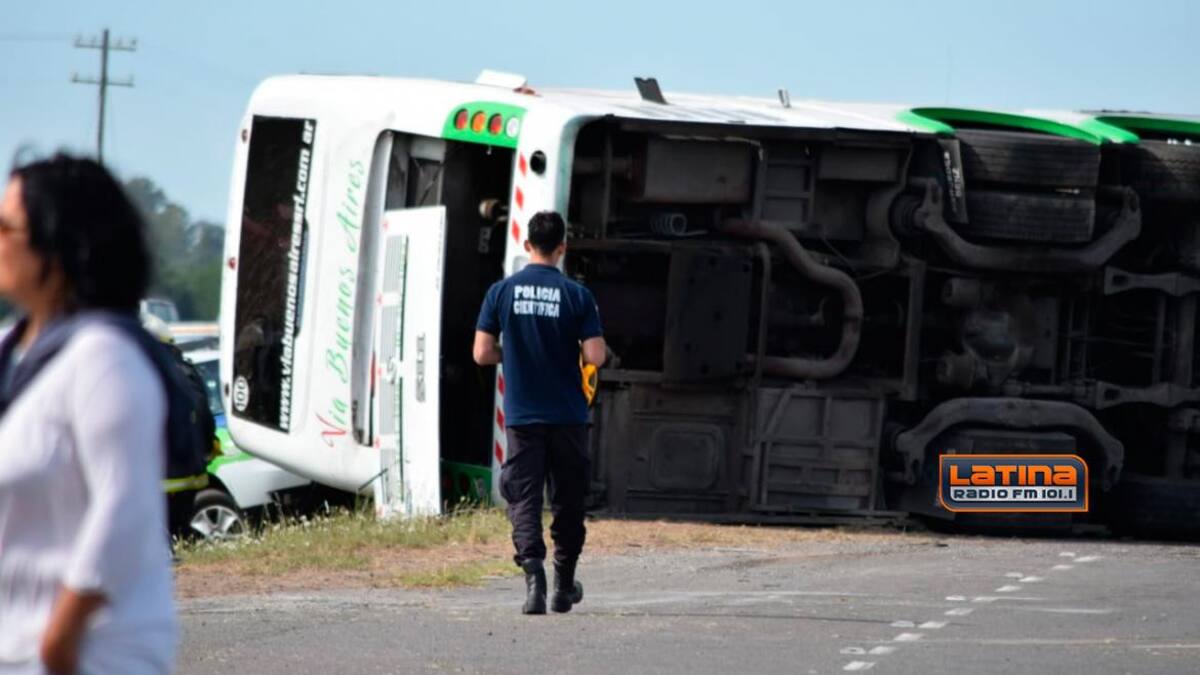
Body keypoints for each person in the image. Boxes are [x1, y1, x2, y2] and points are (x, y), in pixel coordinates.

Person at [0, 154, 177, 673]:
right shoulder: (20, 356)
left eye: (8, 226)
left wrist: (59, 640)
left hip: (88, 656)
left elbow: (125, 508)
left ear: (59, 245)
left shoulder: (105, 359)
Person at [473, 210, 607, 615]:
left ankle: (534, 581)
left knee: (525, 497)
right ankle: (564, 586)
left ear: (527, 245)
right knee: (567, 499)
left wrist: (511, 353)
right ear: (562, 248)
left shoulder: (501, 292)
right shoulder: (577, 295)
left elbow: (481, 353)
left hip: (523, 416)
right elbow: (596, 356)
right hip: (567, 415)